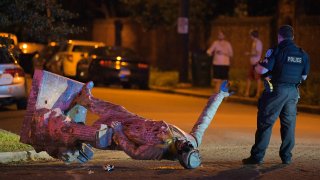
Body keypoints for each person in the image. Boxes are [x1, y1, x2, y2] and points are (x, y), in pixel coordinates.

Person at [31, 80, 233, 169]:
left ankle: (51, 131)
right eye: (187, 147)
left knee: (94, 132)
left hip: (114, 135)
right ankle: (86, 99)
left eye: (182, 150)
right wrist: (221, 95)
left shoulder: (157, 152)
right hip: (133, 121)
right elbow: (205, 118)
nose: (183, 145)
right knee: (117, 108)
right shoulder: (191, 139)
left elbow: (134, 153)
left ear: (179, 157)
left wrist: (118, 132)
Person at [242, 25, 310, 165]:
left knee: (266, 122)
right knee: (289, 125)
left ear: (279, 37)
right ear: (293, 37)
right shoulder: (302, 54)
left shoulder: (276, 50)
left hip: (276, 90)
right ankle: (286, 157)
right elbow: (304, 77)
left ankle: (257, 157)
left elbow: (262, 70)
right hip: (293, 93)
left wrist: (258, 66)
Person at [244, 30, 263, 98]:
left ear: (253, 35)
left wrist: (249, 54)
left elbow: (258, 53)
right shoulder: (254, 42)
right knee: (249, 78)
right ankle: (247, 93)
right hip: (252, 63)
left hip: (256, 63)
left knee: (257, 78)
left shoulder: (258, 43)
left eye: (250, 35)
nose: (250, 36)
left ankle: (257, 94)